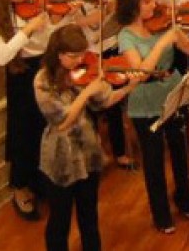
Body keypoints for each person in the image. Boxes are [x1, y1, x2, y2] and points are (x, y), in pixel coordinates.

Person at [114, 0, 189, 234]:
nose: (154, 5)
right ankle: (161, 214)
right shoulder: (126, 35)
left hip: (173, 90)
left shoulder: (164, 23)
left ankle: (184, 200)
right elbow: (141, 72)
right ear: (133, 6)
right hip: (145, 100)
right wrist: (162, 42)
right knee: (153, 161)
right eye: (147, 2)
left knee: (181, 150)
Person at [33, 27, 134, 251]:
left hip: (88, 152)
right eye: (74, 56)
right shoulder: (42, 81)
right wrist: (87, 91)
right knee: (60, 222)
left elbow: (104, 101)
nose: (80, 60)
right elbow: (62, 121)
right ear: (59, 54)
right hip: (61, 158)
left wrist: (130, 85)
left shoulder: (82, 72)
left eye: (82, 54)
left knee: (89, 217)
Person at [0, 0, 57, 221]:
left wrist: (51, 22)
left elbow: (48, 40)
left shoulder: (35, 3)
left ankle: (45, 181)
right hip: (21, 74)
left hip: (44, 67)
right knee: (25, 132)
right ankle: (21, 187)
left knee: (47, 126)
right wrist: (27, 30)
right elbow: (2, 55)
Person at [56, 0, 131, 170]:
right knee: (89, 105)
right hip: (83, 54)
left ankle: (120, 151)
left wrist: (109, 10)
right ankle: (95, 151)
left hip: (106, 45)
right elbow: (58, 29)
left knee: (112, 102)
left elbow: (117, 10)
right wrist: (80, 19)